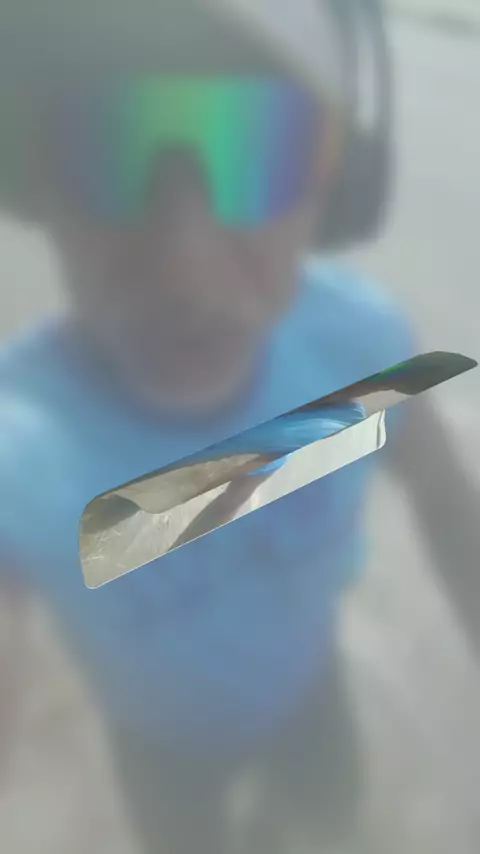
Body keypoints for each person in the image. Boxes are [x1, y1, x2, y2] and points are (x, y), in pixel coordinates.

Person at [0, 1, 478, 852]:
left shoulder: (362, 351)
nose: (185, 272)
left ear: (342, 189)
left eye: (263, 153)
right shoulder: (19, 446)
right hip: (160, 752)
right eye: (96, 152)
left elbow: (449, 507)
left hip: (309, 699)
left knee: (332, 818)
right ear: (32, 184)